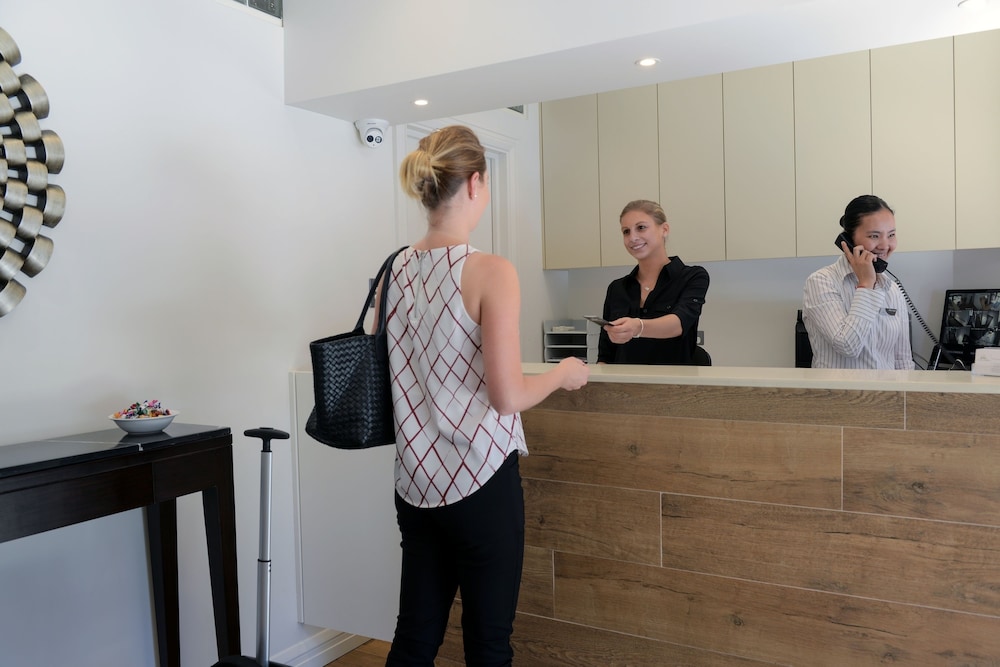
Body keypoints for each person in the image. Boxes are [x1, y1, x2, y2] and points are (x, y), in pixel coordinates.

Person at [381, 124, 590, 667]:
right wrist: (563, 373)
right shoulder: (490, 271)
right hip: (479, 478)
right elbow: (507, 396)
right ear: (475, 182)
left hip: (414, 482)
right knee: (488, 643)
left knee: (414, 638)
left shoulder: (392, 272)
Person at [802, 194, 914, 369]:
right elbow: (847, 346)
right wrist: (866, 285)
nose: (885, 245)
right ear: (848, 240)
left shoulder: (892, 289)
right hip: (838, 388)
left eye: (891, 235)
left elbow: (902, 360)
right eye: (874, 236)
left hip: (886, 387)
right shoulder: (821, 282)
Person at [596, 199, 709, 365]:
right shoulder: (617, 288)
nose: (632, 237)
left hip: (673, 379)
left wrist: (637, 327)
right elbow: (606, 354)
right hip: (624, 380)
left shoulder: (693, 277)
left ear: (664, 229)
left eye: (641, 227)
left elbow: (679, 323)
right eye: (626, 231)